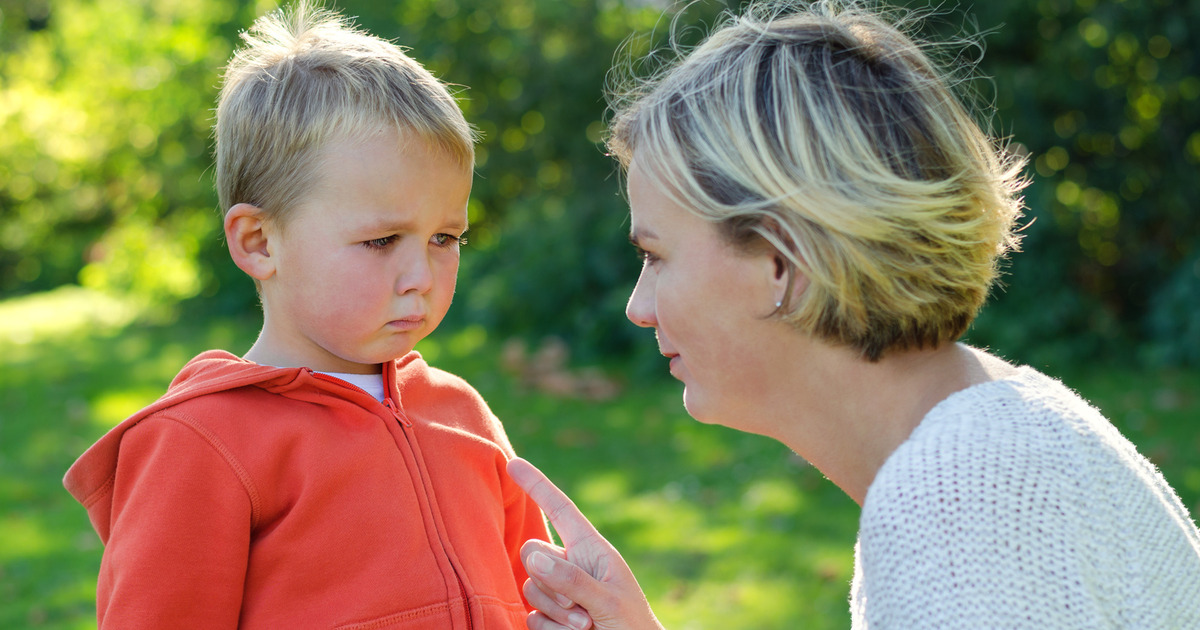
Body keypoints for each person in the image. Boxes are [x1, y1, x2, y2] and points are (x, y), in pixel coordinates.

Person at [506, 1, 1200, 629]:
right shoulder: (1005, 430)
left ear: (783, 263)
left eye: (655, 256)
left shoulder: (961, 510)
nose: (638, 307)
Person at [62, 3, 550, 627]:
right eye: (381, 241)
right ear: (260, 242)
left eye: (445, 238)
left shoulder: (463, 415)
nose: (422, 277)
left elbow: (537, 603)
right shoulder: (202, 443)